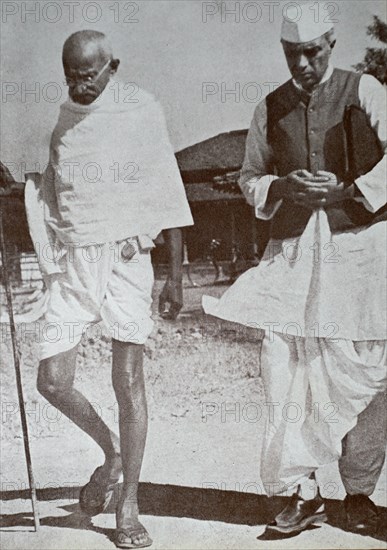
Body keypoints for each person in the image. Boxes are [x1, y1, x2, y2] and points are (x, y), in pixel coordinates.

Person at [203, 2, 386, 536]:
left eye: (312, 52)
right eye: (292, 54)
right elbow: (249, 176)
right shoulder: (269, 107)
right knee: (288, 368)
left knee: (364, 365)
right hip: (292, 256)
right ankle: (303, 492)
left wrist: (351, 191)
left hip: (360, 251)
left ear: (331, 44)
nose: (302, 63)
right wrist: (281, 187)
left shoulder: (366, 89)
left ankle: (359, 493)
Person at [17, 30, 193, 549]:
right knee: (51, 380)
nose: (79, 84)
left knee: (127, 379)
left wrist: (175, 276)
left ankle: (130, 502)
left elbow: (168, 189)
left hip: (126, 258)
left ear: (112, 65)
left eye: (88, 74)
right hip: (77, 262)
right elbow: (53, 187)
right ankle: (111, 450)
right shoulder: (65, 120)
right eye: (70, 75)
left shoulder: (141, 110)